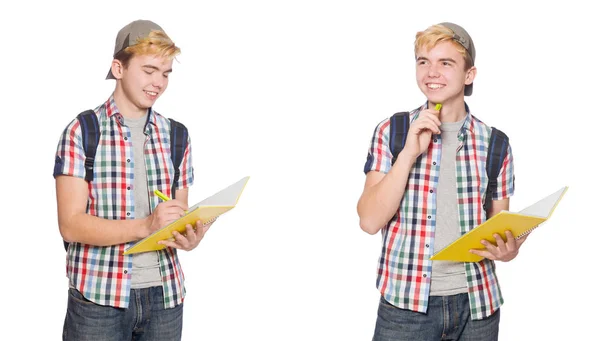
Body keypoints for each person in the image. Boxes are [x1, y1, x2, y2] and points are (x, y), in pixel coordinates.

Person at [357, 22, 526, 340]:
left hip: (478, 308)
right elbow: (368, 220)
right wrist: (408, 152)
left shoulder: (496, 143)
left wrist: (508, 250)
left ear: (469, 74)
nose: (431, 72)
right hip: (406, 309)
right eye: (423, 62)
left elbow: (499, 227)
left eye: (445, 63)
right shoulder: (392, 132)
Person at [53, 19, 211, 340]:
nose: (159, 83)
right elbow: (70, 225)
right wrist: (145, 226)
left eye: (166, 73)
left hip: (165, 298)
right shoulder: (82, 131)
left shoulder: (177, 135)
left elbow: (176, 215)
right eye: (149, 70)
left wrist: (189, 237)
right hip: (98, 300)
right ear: (119, 68)